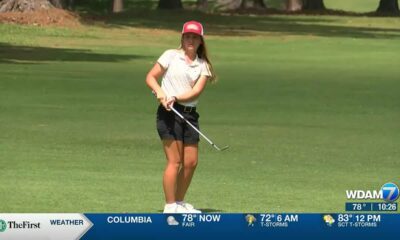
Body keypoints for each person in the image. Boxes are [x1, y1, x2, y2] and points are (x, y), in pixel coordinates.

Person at [145, 20, 216, 213]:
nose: (190, 40)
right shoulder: (170, 55)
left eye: (194, 37)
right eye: (187, 36)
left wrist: (175, 96)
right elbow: (151, 77)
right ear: (182, 38)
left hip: (190, 116)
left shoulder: (204, 66)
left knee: (191, 162)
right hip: (168, 114)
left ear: (201, 41)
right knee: (174, 161)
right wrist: (160, 93)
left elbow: (195, 92)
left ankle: (179, 201)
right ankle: (170, 206)